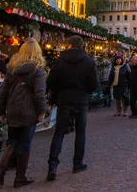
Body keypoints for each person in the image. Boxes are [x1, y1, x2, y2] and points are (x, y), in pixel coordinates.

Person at [0, 38, 46, 188]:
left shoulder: (12, 67)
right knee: (25, 143)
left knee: (13, 141)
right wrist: (42, 110)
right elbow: (39, 93)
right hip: (29, 110)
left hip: (13, 108)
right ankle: (20, 177)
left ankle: (0, 172)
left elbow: (3, 91)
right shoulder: (38, 69)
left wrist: (1, 111)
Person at [46, 35, 98, 181]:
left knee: (59, 133)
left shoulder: (60, 61)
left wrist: (60, 91)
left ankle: (52, 165)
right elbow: (94, 84)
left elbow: (51, 82)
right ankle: (77, 163)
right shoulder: (88, 61)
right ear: (81, 46)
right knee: (80, 132)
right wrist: (85, 91)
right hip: (81, 100)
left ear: (69, 45)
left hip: (64, 99)